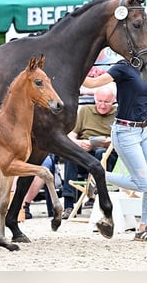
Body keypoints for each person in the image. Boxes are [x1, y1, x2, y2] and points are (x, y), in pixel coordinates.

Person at [83, 59, 147, 242]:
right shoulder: (122, 68)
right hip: (125, 132)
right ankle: (99, 175)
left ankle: (143, 228)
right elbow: (92, 83)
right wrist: (77, 65)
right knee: (143, 184)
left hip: (144, 131)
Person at [61, 86, 118, 219]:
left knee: (101, 153)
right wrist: (79, 144)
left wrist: (102, 142)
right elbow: (71, 135)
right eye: (99, 101)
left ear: (113, 101)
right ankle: (69, 205)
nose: (102, 105)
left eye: (107, 102)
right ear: (94, 99)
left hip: (107, 154)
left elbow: (121, 139)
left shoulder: (118, 114)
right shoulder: (85, 111)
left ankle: (100, 199)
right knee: (71, 157)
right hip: (86, 152)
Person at [22, 154, 61, 219]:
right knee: (14, 164)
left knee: (45, 165)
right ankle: (14, 203)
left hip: (42, 153)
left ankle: (25, 205)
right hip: (22, 153)